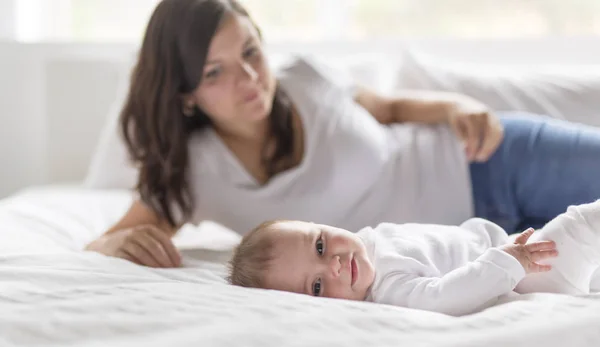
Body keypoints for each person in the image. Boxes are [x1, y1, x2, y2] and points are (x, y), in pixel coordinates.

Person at [85, 0, 600, 269]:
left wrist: (453, 105)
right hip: (472, 250)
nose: (247, 79)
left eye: (249, 52)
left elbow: (392, 107)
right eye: (214, 72)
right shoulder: (192, 173)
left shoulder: (305, 77)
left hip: (491, 160)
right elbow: (108, 242)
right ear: (185, 93)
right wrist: (117, 244)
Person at [227, 200, 600, 316]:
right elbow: (444, 295)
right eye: (319, 285)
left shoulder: (373, 241)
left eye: (320, 246)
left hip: (515, 254)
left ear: (319, 223)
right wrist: (508, 262)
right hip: (527, 278)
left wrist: (504, 247)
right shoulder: (389, 288)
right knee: (581, 224)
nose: (335, 264)